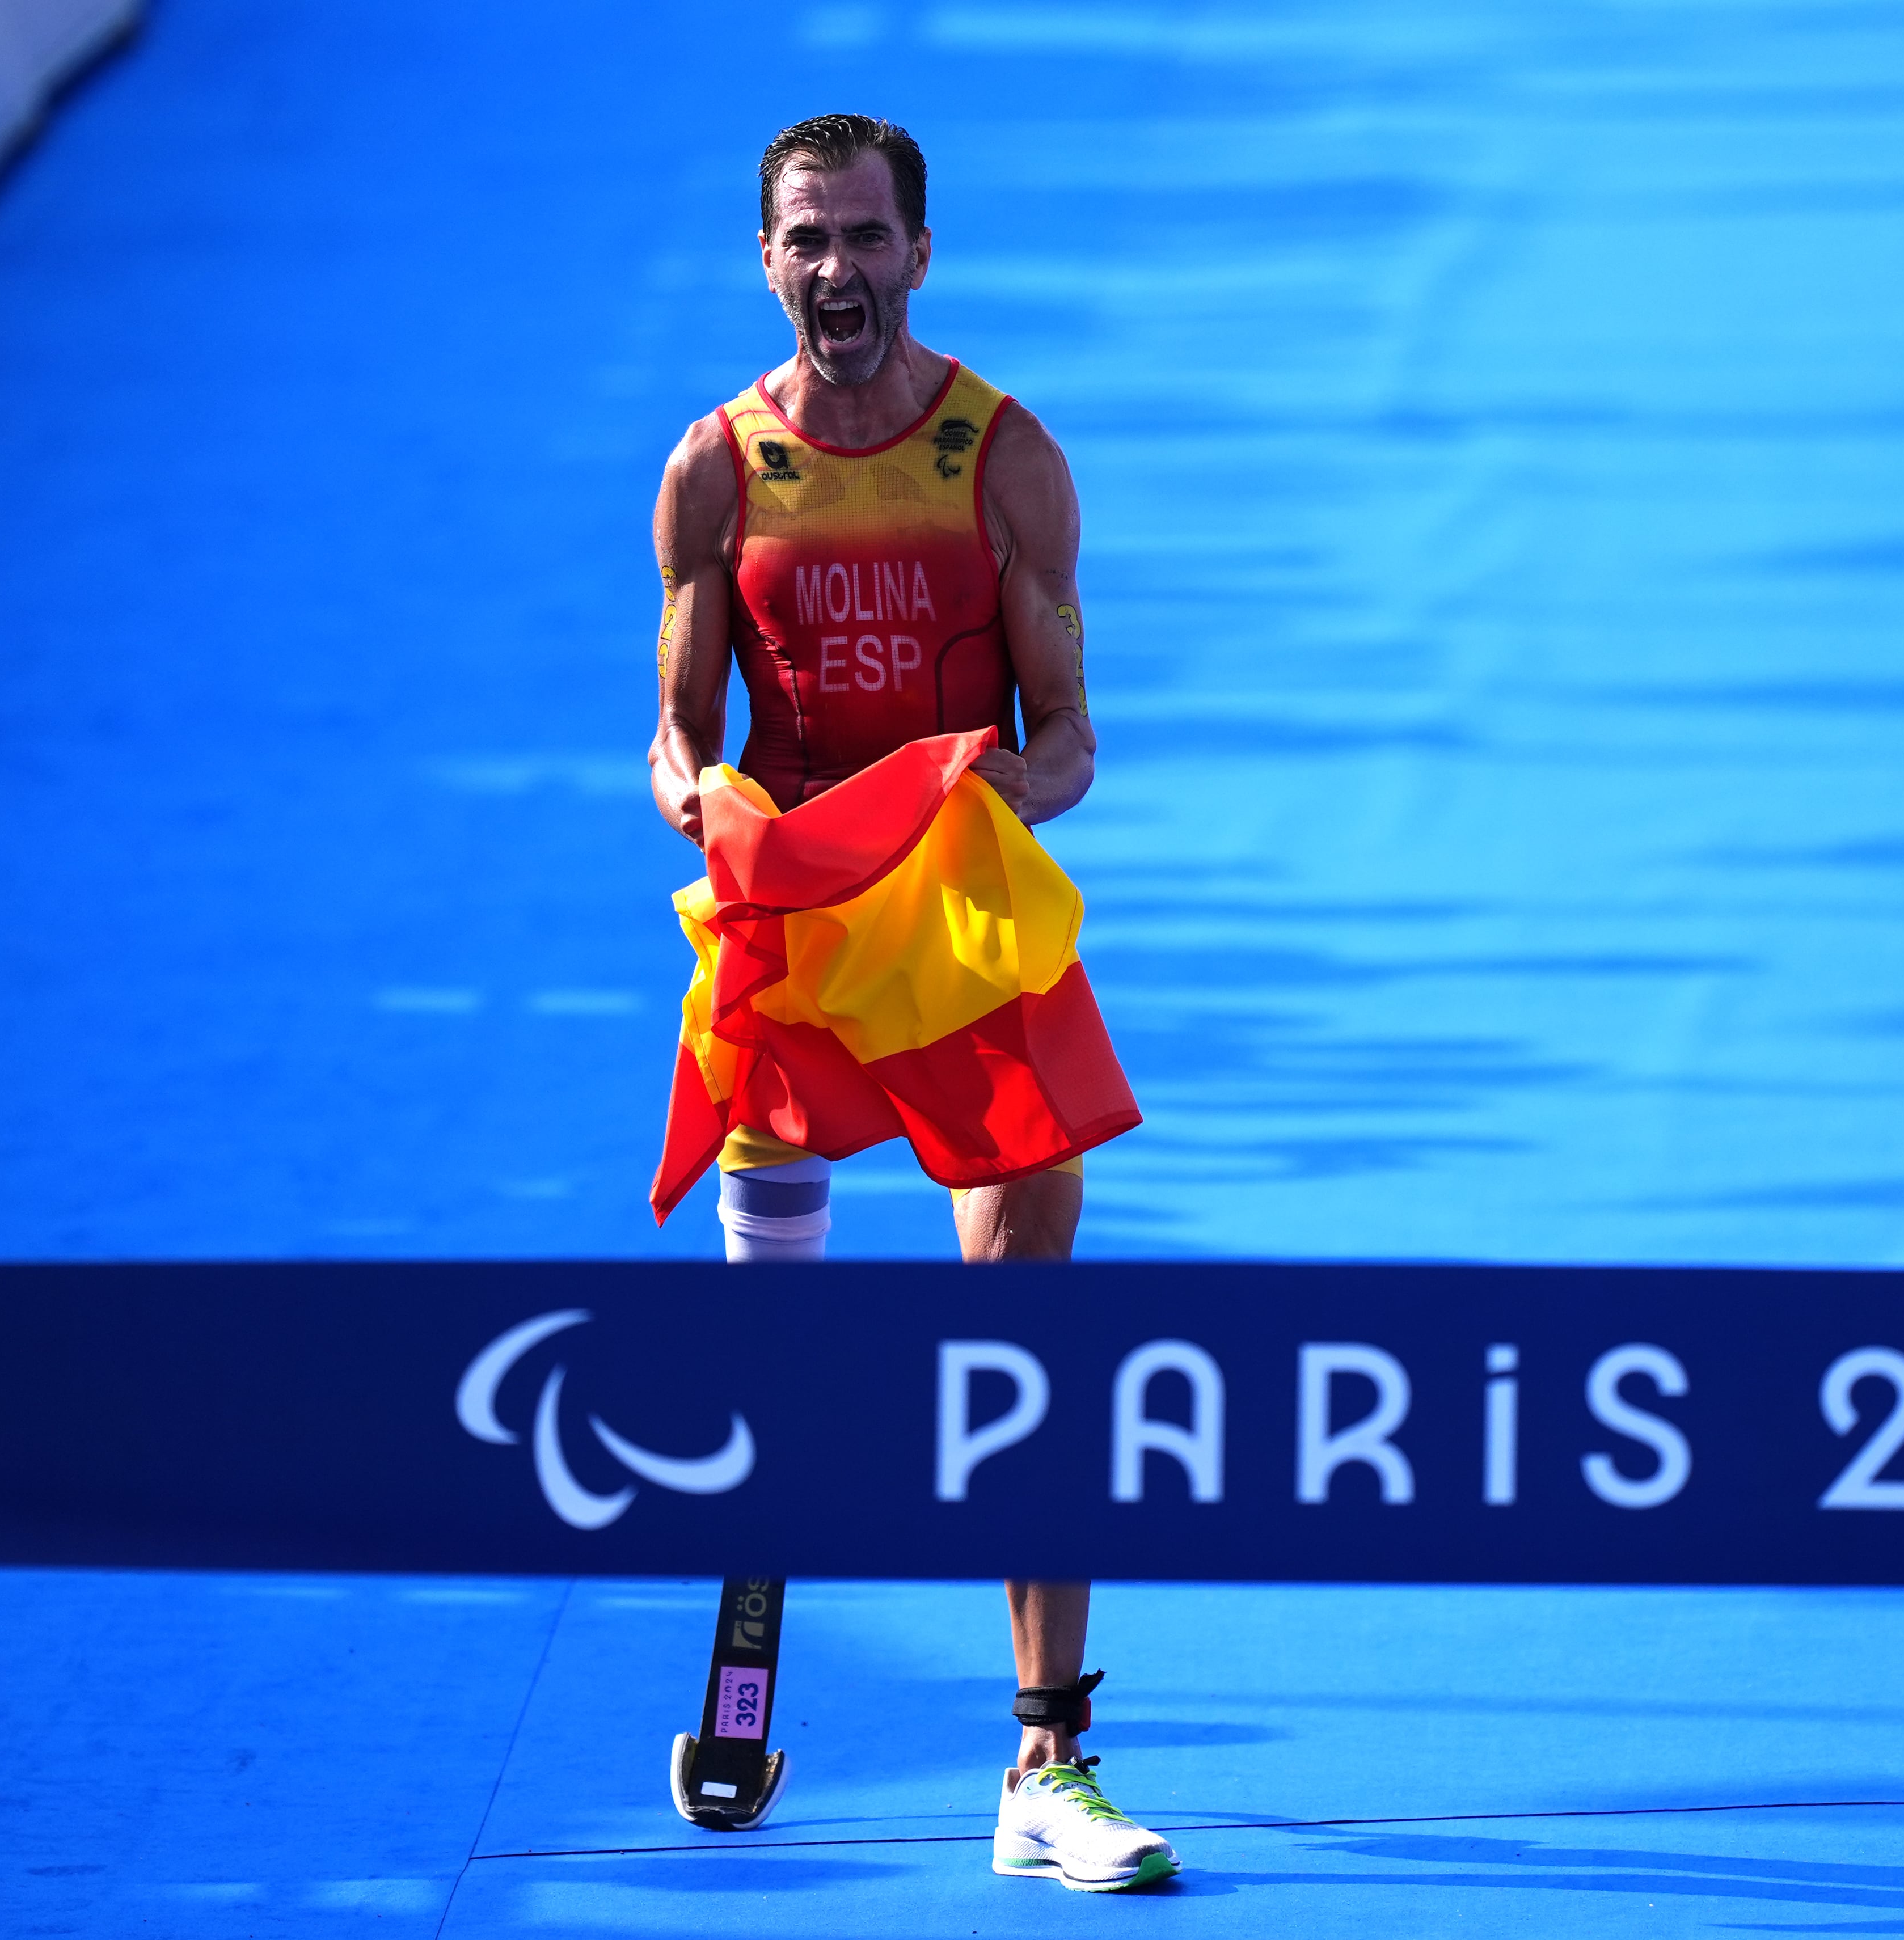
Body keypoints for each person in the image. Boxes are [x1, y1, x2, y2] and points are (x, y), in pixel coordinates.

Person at [645, 112, 1177, 1893]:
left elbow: (1074, 745)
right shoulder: (716, 472)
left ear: (922, 255)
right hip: (794, 938)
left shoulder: (1002, 459)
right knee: (775, 1358)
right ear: (767, 257)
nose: (838, 273)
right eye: (807, 241)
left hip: (953, 927)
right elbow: (676, 737)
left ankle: (1050, 1766)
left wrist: (967, 800)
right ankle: (746, 1642)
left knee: (1028, 1326)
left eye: (868, 239)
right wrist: (697, 803)